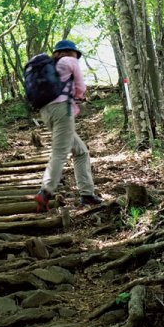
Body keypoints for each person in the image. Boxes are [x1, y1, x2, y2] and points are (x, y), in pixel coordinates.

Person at [34, 40, 103, 211]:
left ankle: (87, 194)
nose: (76, 57)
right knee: (60, 152)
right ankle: (45, 191)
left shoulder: (51, 65)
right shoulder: (69, 61)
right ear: (71, 52)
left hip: (46, 112)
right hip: (62, 111)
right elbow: (80, 86)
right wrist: (80, 95)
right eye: (76, 54)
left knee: (80, 151)